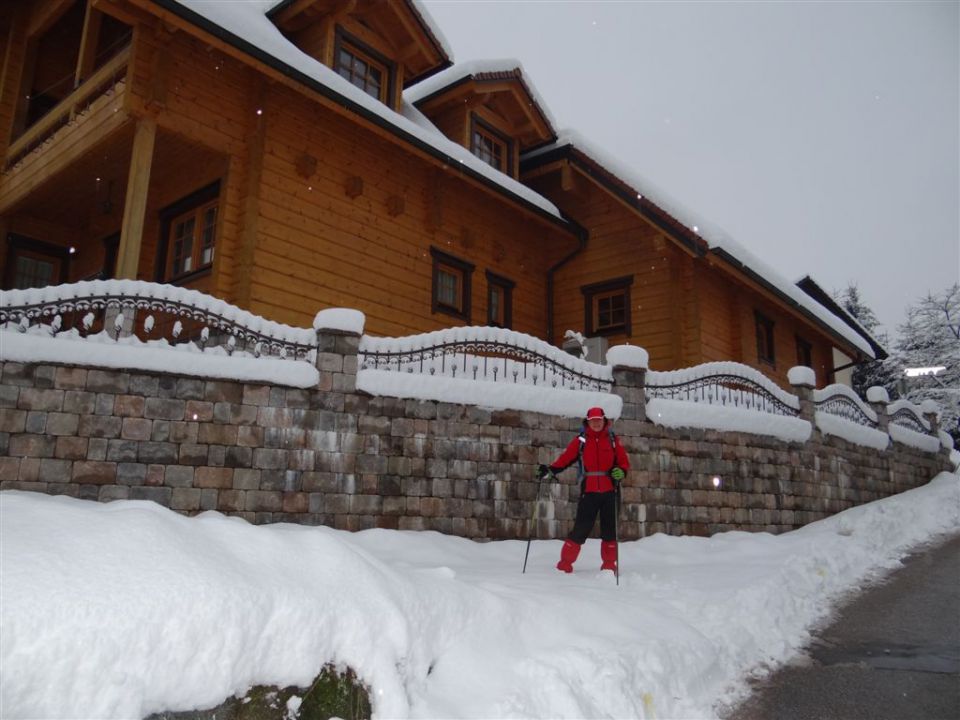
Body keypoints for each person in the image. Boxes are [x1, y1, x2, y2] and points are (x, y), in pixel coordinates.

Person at [538, 406, 629, 573]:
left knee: (610, 530)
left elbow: (623, 462)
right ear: (587, 422)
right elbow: (565, 459)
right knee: (580, 528)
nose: (596, 423)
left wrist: (621, 471)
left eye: (599, 420)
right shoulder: (581, 441)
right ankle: (565, 564)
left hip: (611, 491)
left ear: (604, 421)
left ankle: (609, 565)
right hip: (590, 491)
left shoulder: (613, 440)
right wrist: (550, 470)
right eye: (592, 421)